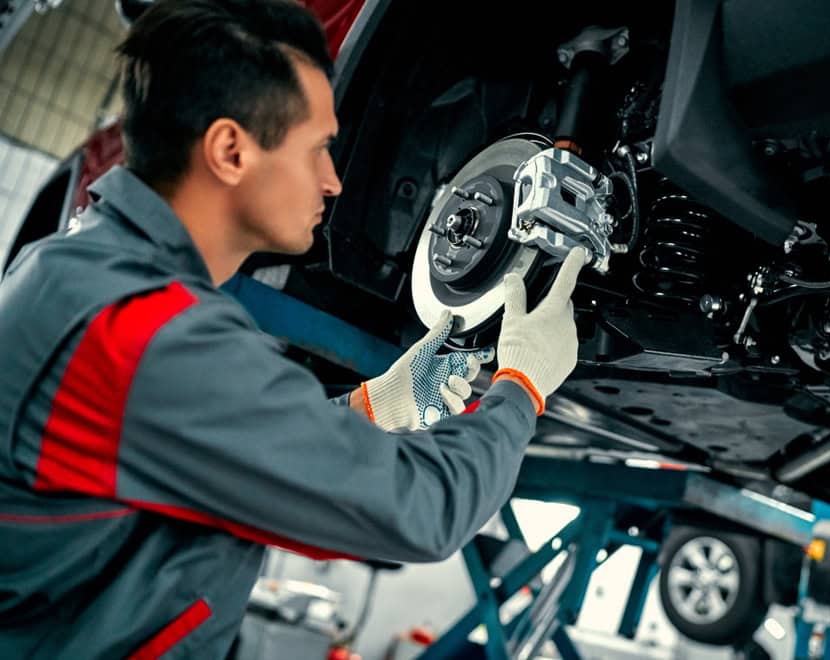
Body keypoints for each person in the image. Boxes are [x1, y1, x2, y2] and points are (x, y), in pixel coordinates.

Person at [0, 0, 585, 656]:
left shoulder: (82, 275)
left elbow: (239, 460)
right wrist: (521, 389)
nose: (335, 181)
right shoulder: (141, 331)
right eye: (318, 150)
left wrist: (376, 405)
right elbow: (422, 511)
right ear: (230, 150)